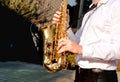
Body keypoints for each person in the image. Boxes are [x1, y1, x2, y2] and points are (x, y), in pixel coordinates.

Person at [52, 0, 120, 82]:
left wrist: (81, 49)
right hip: (81, 74)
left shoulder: (116, 5)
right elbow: (77, 43)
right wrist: (65, 25)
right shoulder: (90, 11)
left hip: (100, 77)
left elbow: (117, 49)